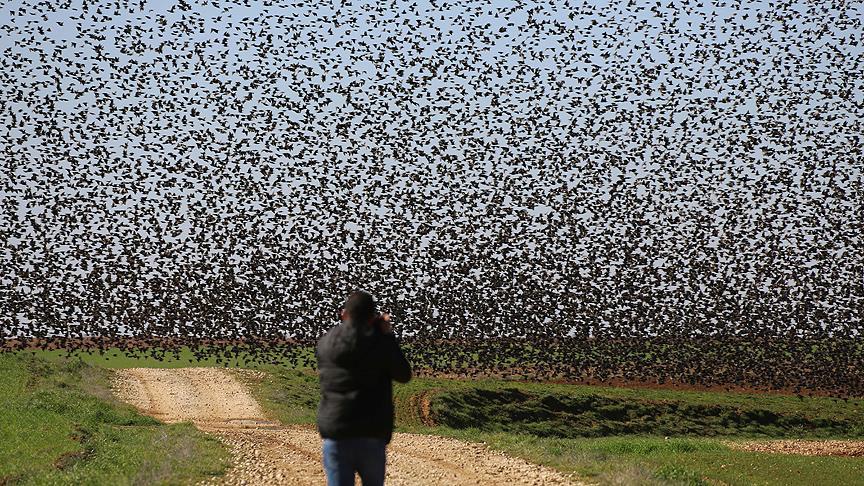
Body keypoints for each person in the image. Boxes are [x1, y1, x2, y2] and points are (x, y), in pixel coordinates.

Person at [316, 290, 412, 486]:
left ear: (343, 314)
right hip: (371, 432)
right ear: (372, 317)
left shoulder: (326, 342)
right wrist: (387, 334)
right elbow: (403, 375)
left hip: (336, 430)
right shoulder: (380, 343)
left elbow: (351, 340)